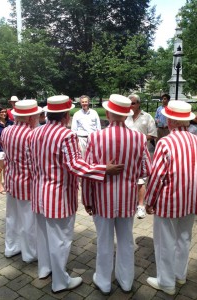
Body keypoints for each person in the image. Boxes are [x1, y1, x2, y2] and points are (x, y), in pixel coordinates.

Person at [29, 95, 124, 293]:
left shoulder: (35, 133)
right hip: (58, 195)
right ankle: (61, 282)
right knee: (61, 239)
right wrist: (103, 169)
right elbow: (75, 165)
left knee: (44, 235)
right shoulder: (66, 135)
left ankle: (45, 269)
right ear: (65, 115)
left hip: (39, 192)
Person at [82, 94, 152, 295]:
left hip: (101, 199)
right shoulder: (138, 138)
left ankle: (104, 282)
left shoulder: (95, 137)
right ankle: (126, 281)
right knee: (126, 240)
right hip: (127, 199)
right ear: (125, 115)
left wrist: (86, 200)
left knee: (104, 241)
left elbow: (87, 172)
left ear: (110, 113)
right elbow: (147, 170)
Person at [145, 100, 197, 295]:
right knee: (184, 237)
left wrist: (149, 201)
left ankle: (166, 282)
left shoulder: (165, 143)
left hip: (169, 199)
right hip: (190, 198)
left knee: (165, 241)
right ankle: (180, 275)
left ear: (171, 120)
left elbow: (157, 176)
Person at [0, 100, 42, 262]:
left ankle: (11, 247)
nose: (38, 117)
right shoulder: (33, 135)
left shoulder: (7, 131)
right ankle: (29, 253)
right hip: (28, 183)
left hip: (11, 179)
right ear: (31, 117)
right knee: (28, 220)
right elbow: (35, 162)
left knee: (12, 216)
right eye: (36, 115)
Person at [125, 94, 157, 219]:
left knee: (141, 179)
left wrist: (138, 138)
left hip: (142, 153)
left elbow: (153, 135)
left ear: (138, 104)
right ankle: (128, 202)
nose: (130, 106)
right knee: (127, 178)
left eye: (132, 103)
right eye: (129, 103)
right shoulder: (124, 116)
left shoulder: (147, 117)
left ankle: (141, 206)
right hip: (127, 153)